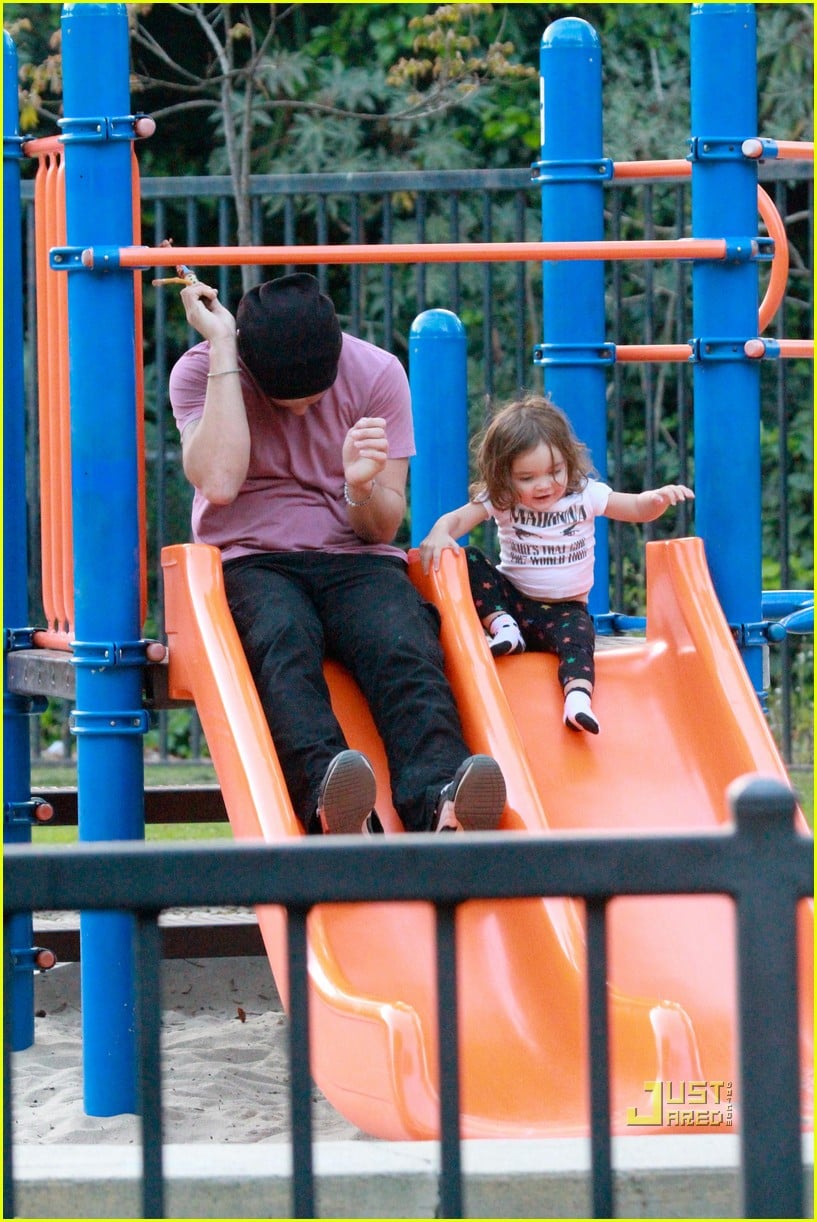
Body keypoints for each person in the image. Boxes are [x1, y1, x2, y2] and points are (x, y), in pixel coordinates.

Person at [169, 271, 506, 835]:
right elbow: (220, 483)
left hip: (355, 555)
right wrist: (224, 345)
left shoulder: (377, 373)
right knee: (282, 638)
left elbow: (381, 530)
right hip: (252, 557)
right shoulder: (202, 371)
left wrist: (358, 486)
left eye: (315, 399)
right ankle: (333, 800)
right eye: (284, 402)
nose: (301, 415)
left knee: (403, 643)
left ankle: (443, 801)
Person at [419, 394, 694, 735]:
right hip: (516, 602)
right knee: (470, 558)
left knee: (580, 641)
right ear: (504, 476)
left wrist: (657, 500)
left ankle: (577, 700)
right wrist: (440, 532)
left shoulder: (585, 495)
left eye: (554, 471)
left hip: (564, 612)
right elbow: (459, 520)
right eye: (527, 477)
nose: (544, 484)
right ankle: (504, 628)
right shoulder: (502, 499)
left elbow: (635, 508)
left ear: (568, 460)